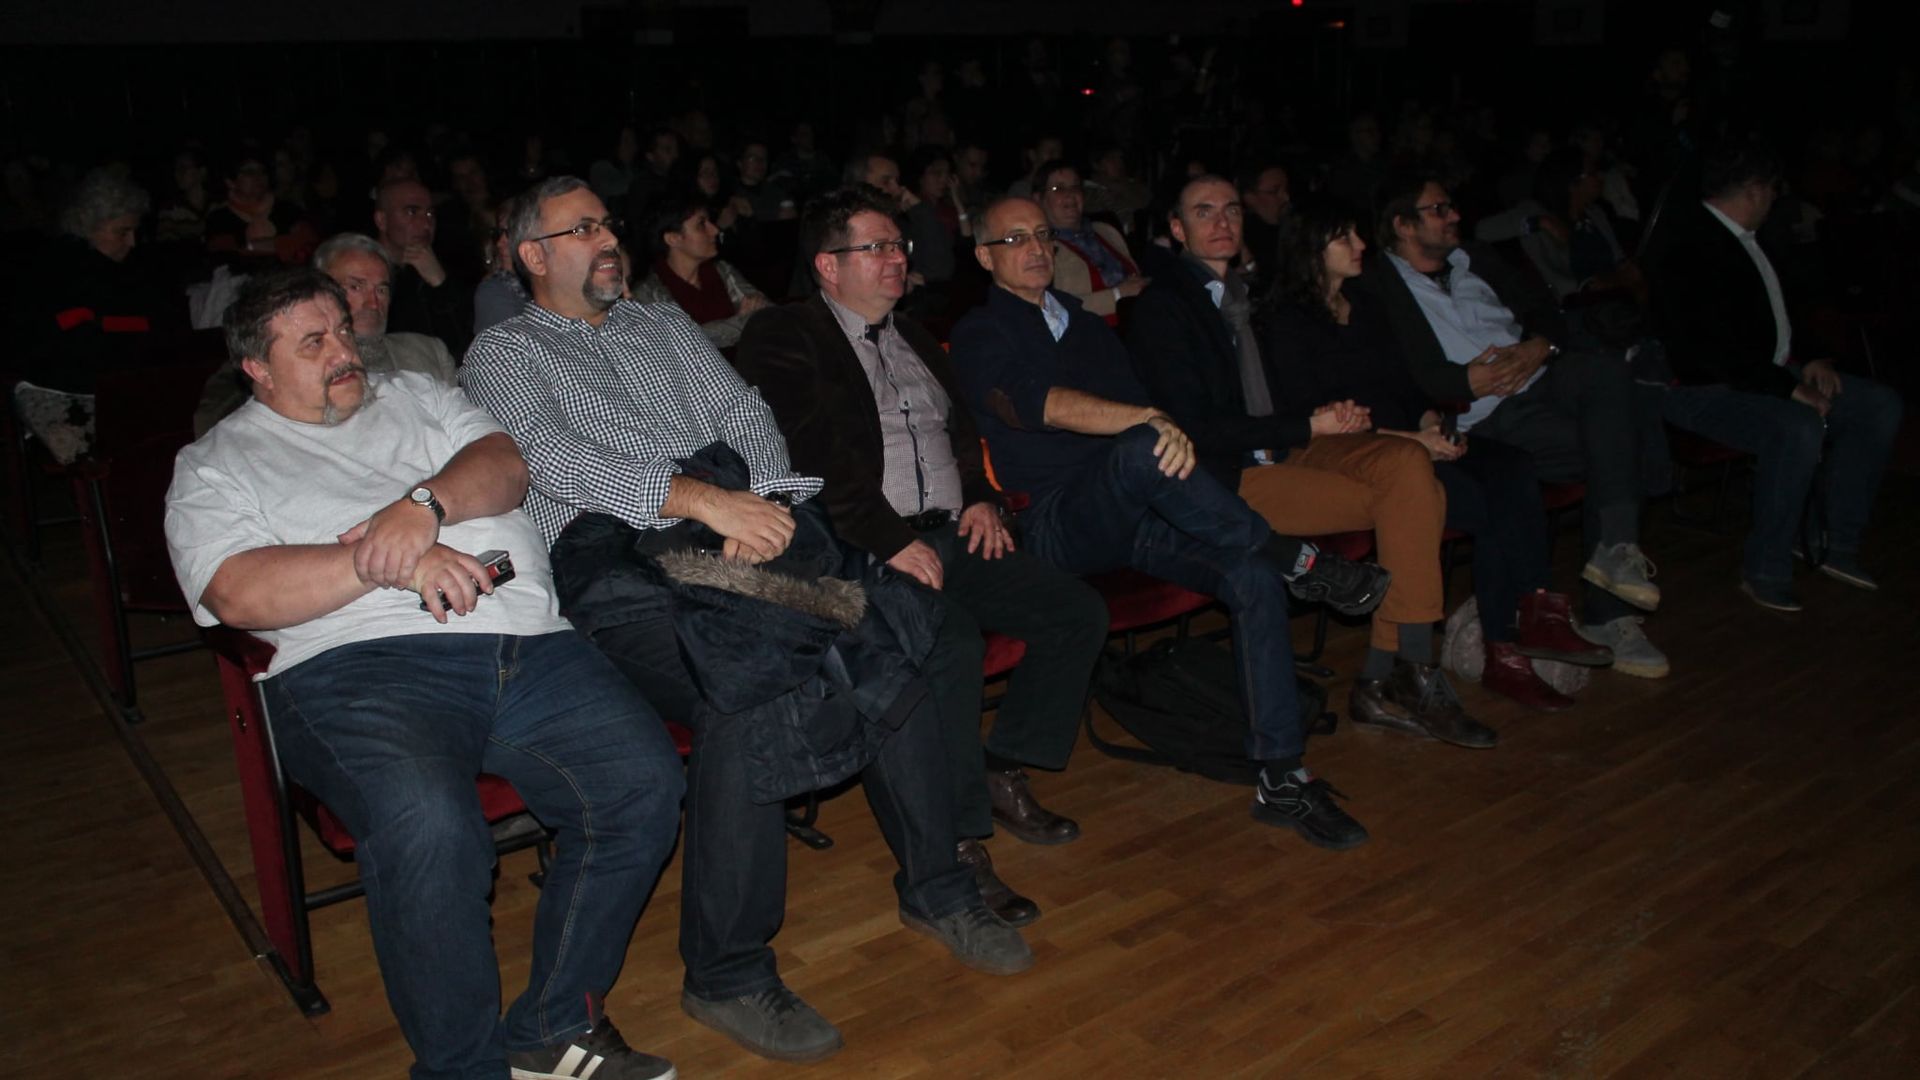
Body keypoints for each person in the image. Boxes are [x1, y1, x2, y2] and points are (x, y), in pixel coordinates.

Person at [460, 177, 1031, 1066]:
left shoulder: (659, 325)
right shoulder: (504, 353)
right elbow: (550, 458)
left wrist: (755, 505)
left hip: (738, 538)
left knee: (884, 632)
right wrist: (701, 501)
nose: (608, 239)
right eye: (583, 229)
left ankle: (939, 885)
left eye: (609, 223)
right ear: (532, 255)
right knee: (751, 681)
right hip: (622, 561)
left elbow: (745, 413)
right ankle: (726, 971)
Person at [165, 268, 685, 1080]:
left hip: (527, 643)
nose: (344, 351)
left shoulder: (416, 395)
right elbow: (233, 590)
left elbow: (506, 465)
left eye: (343, 330)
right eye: (313, 343)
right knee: (430, 826)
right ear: (256, 368)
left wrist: (422, 506)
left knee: (642, 784)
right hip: (356, 669)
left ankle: (552, 1027)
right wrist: (385, 560)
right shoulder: (215, 463)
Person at [950, 195, 1390, 852]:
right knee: (1142, 444)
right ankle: (1297, 558)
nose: (1036, 248)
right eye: (1015, 239)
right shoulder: (982, 332)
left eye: (1042, 235)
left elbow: (1146, 419)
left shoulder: (1085, 326)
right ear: (985, 257)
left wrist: (1151, 428)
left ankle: (1281, 776)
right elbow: (1037, 406)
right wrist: (1147, 424)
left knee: (1251, 578)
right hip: (1053, 523)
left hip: (1133, 511)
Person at [733, 186, 1108, 927]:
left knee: (1075, 612)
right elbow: (811, 459)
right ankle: (959, 842)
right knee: (951, 644)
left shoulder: (915, 336)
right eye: (876, 247)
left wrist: (981, 497)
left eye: (898, 246)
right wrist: (891, 540)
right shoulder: (787, 333)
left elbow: (962, 435)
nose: (897, 259)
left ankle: (1001, 767)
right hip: (863, 547)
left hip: (952, 533)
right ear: (828, 265)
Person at [1128, 175, 1496, 744]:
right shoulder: (1163, 307)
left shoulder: (1250, 296)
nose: (1222, 222)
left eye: (1232, 210)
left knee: (1408, 469)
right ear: (1177, 229)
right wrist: (1307, 423)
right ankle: (1396, 674)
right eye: (1204, 212)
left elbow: (1300, 387)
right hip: (1225, 479)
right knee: (1420, 490)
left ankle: (1395, 675)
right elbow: (1195, 427)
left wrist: (1331, 416)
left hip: (1289, 452)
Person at [1267, 198, 1614, 711]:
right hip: (1357, 454)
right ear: (1311, 250)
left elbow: (1406, 381)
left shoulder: (1365, 302)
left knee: (1513, 465)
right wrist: (1413, 440)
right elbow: (1314, 416)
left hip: (1412, 436)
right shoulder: (1285, 321)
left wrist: (1430, 421)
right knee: (1490, 506)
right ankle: (1505, 651)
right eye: (1346, 238)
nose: (1362, 245)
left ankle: (1539, 615)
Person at [1353, 173, 1671, 679]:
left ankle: (1616, 552)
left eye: (1451, 206)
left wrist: (1540, 345)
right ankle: (1609, 614)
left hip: (1546, 379)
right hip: (1487, 412)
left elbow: (1548, 309)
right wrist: (1462, 381)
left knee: (1608, 370)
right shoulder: (1376, 285)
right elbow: (1395, 375)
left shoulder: (1476, 257)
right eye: (1439, 209)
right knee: (1622, 448)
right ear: (1403, 225)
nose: (1455, 216)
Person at [1642, 139, 1903, 610]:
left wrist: (1814, 357)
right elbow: (1708, 351)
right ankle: (1766, 568)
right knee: (1796, 426)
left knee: (1878, 405)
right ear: (1755, 189)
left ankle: (1833, 542)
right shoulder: (1687, 247)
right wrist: (1789, 387)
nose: (1776, 198)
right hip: (1702, 388)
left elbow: (1790, 308)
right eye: (1773, 189)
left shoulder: (1755, 238)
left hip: (1767, 372)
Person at [630, 197, 770, 349]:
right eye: (701, 225)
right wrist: (742, 321)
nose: (715, 230)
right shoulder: (649, 294)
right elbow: (686, 340)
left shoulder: (722, 270)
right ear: (673, 238)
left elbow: (766, 309)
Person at [1036, 160, 1147, 325]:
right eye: (1058, 189)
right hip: (1091, 330)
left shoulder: (1105, 230)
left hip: (1140, 315)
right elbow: (1051, 309)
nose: (1070, 195)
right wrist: (1117, 295)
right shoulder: (1041, 248)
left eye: (1075, 187)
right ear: (1038, 199)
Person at [374, 177, 471, 353]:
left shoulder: (447, 267)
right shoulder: (365, 274)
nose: (426, 224)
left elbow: (466, 343)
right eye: (411, 212)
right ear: (382, 220)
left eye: (430, 214)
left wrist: (441, 284)